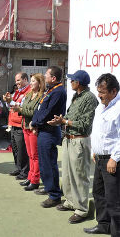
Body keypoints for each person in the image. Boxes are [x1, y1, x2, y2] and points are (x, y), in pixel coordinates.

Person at [50, 70, 98, 223]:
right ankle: (71, 202)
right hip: (69, 139)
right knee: (68, 175)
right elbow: (71, 118)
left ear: (78, 83)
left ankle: (82, 209)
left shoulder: (89, 98)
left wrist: (64, 122)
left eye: (72, 80)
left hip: (79, 140)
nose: (70, 82)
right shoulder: (76, 96)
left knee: (80, 176)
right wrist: (61, 120)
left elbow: (84, 124)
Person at [86, 73, 120, 235]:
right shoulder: (101, 106)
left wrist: (114, 158)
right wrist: (95, 150)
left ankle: (117, 231)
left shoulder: (118, 108)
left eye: (103, 92)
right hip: (99, 159)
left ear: (113, 91)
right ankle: (103, 225)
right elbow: (98, 132)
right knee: (99, 194)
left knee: (114, 199)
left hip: (112, 161)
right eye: (98, 91)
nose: (99, 95)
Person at [31, 66, 66, 208]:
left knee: (49, 163)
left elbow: (48, 112)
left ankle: (54, 195)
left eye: (47, 75)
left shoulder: (58, 92)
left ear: (54, 78)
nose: (45, 77)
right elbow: (40, 109)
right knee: (44, 162)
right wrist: (35, 121)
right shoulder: (51, 90)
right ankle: (48, 186)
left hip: (49, 131)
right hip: (43, 130)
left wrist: (35, 123)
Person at [19, 74, 45, 191]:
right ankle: (30, 177)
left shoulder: (42, 97)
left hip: (33, 128)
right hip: (25, 126)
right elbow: (24, 107)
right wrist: (22, 110)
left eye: (34, 81)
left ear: (40, 83)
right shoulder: (29, 94)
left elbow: (34, 112)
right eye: (31, 80)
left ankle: (35, 180)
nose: (31, 83)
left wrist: (21, 110)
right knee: (30, 154)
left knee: (35, 155)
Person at [6, 73, 31, 179]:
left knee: (22, 150)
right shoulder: (17, 92)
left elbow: (21, 106)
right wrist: (8, 101)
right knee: (15, 149)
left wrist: (10, 101)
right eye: (16, 81)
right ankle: (19, 168)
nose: (16, 83)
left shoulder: (29, 92)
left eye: (18, 80)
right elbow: (10, 106)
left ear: (25, 79)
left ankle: (25, 171)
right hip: (13, 123)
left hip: (21, 124)